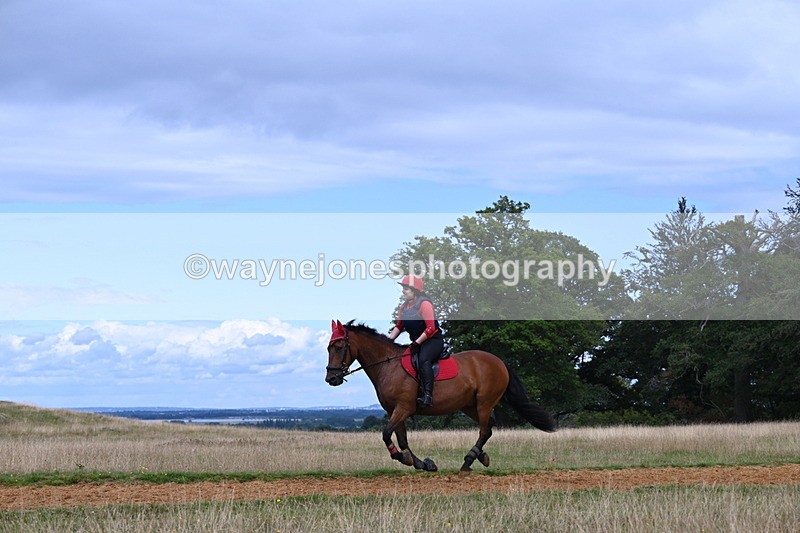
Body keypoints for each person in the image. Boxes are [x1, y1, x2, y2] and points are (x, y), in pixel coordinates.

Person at [387, 274, 444, 407]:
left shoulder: (424, 304)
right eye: (403, 288)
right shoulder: (403, 308)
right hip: (417, 343)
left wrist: (417, 343)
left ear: (415, 290)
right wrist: (387, 342)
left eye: (406, 289)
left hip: (432, 340)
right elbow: (399, 327)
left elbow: (431, 328)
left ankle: (428, 395)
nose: (403, 291)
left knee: (423, 359)